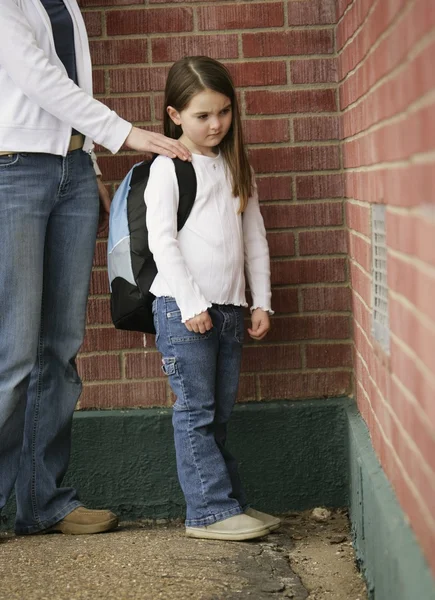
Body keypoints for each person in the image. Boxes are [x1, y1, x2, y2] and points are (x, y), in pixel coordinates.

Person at [0, 0, 190, 536]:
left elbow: (65, 84)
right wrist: (123, 134)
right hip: (12, 172)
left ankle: (43, 501)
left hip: (72, 175)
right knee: (12, 355)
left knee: (59, 348)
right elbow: (35, 76)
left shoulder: (63, 2)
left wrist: (83, 161)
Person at [144, 56, 280, 541]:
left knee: (219, 415)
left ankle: (231, 504)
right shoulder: (168, 168)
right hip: (185, 310)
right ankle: (207, 512)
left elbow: (254, 239)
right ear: (175, 115)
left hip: (228, 309)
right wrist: (191, 303)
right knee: (195, 412)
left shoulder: (235, 164)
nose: (216, 124)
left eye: (224, 112)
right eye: (202, 115)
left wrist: (259, 301)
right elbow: (163, 243)